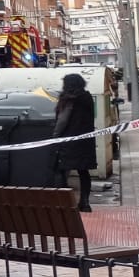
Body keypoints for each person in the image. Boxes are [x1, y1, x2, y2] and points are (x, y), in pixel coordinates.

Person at [53, 73, 97, 212]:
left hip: (69, 140)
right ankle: (85, 203)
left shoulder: (68, 99)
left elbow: (62, 121)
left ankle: (66, 203)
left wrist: (55, 136)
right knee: (83, 172)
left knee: (61, 170)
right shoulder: (87, 97)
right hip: (85, 140)